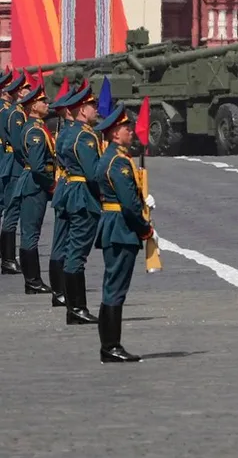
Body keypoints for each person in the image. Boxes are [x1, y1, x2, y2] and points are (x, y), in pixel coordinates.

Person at [95, 104, 154, 362]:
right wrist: (145, 227)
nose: (131, 131)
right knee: (116, 288)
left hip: (114, 224)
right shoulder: (118, 163)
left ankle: (110, 345)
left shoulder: (113, 158)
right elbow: (129, 204)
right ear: (114, 133)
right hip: (121, 227)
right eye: (126, 128)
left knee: (113, 286)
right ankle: (111, 346)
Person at [59, 84, 101, 325]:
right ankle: (77, 308)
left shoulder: (69, 132)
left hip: (71, 191)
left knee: (72, 251)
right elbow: (92, 173)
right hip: (82, 195)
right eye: (92, 106)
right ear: (83, 110)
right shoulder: (84, 136)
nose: (96, 109)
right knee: (77, 253)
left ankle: (73, 308)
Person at [11, 76, 53, 294]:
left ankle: (33, 280)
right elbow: (38, 166)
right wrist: (51, 184)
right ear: (33, 107)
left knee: (31, 232)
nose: (47, 104)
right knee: (30, 233)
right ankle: (33, 281)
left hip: (32, 183)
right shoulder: (35, 131)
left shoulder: (36, 127)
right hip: (34, 185)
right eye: (43, 101)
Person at [47, 82, 83, 309]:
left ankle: (59, 291)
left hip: (64, 188)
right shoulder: (74, 134)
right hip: (71, 190)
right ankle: (60, 291)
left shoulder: (65, 131)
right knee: (65, 243)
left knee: (60, 242)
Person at [0, 69, 19, 275]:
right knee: (11, 210)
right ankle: (8, 259)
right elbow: (16, 144)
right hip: (8, 161)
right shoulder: (8, 111)